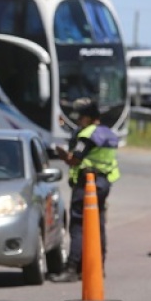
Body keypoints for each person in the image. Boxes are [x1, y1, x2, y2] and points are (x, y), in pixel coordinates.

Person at [50, 99, 120, 282]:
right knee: (98, 225)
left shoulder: (87, 135)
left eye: (81, 117)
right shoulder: (109, 134)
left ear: (88, 118)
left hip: (86, 185)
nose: (79, 121)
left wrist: (64, 155)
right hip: (104, 183)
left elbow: (76, 159)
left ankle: (73, 268)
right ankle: (98, 266)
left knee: (78, 226)